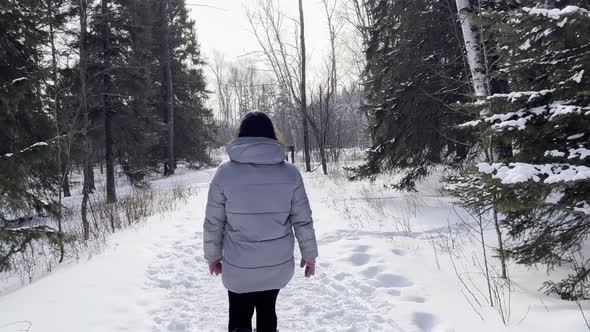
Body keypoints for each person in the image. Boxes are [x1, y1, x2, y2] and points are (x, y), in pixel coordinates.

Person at [203, 112, 319, 332]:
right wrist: (309, 255)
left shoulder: (224, 174)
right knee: (267, 312)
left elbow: (213, 223)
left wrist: (212, 255)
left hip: (238, 266)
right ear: (272, 136)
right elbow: (303, 221)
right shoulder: (291, 174)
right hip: (277, 265)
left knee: (239, 316)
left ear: (241, 136)